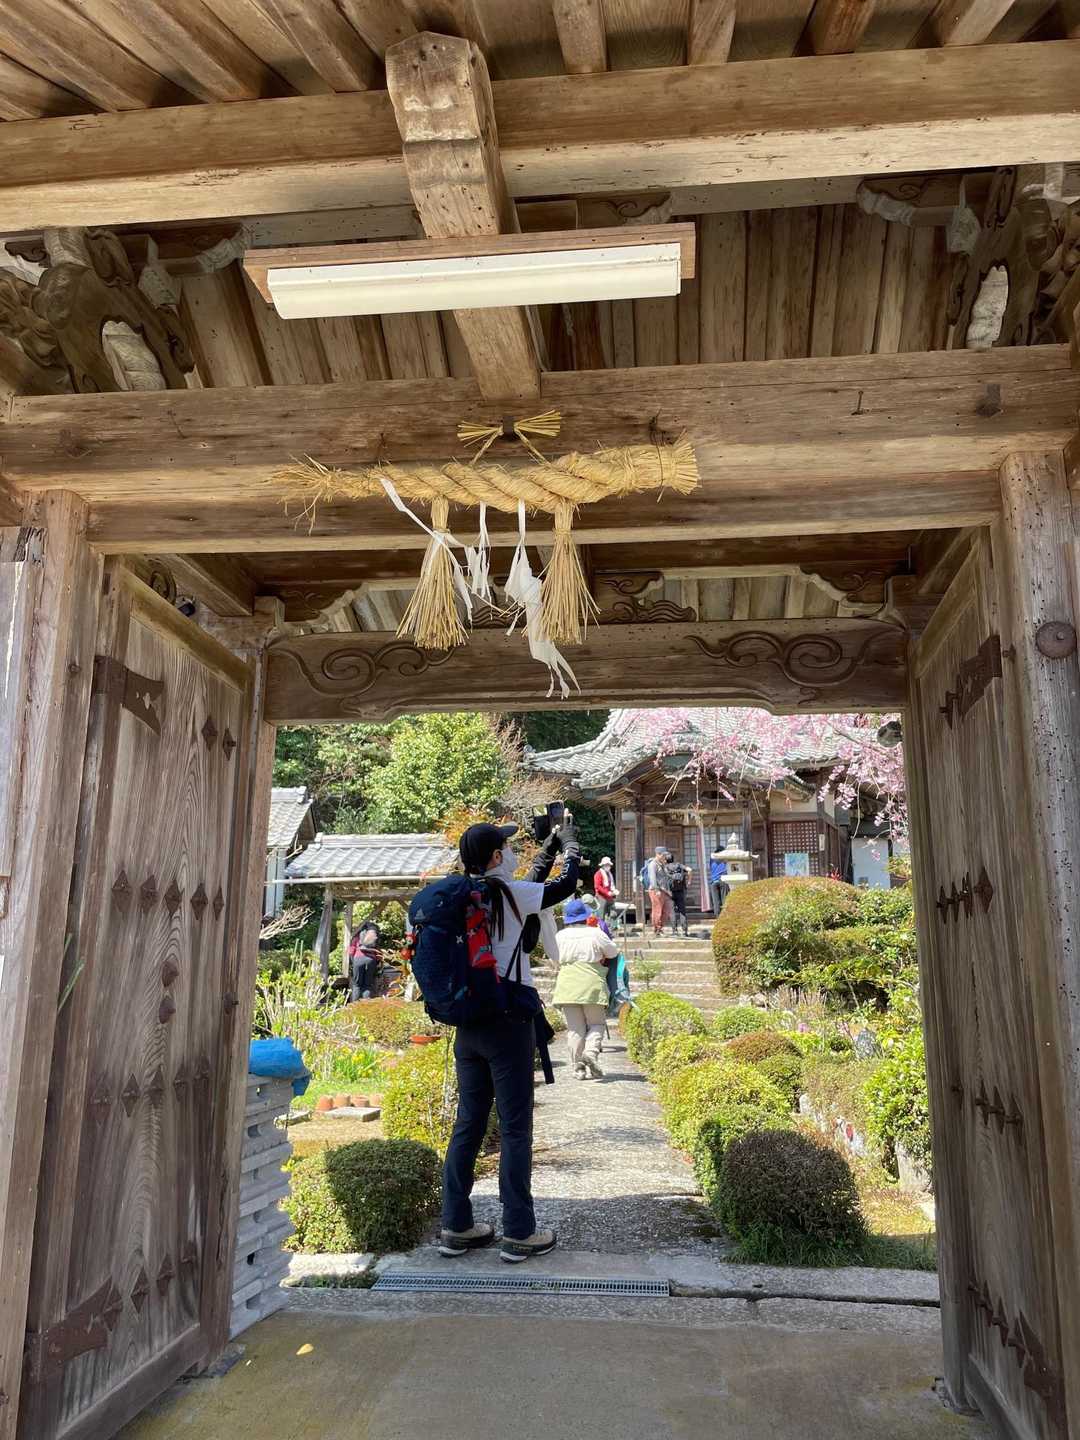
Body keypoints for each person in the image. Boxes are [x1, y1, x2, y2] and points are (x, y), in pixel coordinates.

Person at [440, 819, 580, 1265]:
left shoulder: (460, 894)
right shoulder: (510, 894)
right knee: (516, 1128)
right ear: (498, 857)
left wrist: (548, 849)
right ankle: (519, 1231)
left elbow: (531, 883)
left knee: (468, 1124)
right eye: (507, 847)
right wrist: (571, 848)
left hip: (468, 1024)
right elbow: (563, 887)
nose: (514, 853)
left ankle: (455, 1226)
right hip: (508, 1023)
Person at [552, 897, 618, 1079]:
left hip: (567, 984)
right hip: (591, 983)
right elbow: (613, 952)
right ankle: (590, 1053)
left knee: (575, 1029)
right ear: (585, 916)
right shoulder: (595, 933)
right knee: (597, 1023)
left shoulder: (559, 936)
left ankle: (578, 1069)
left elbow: (554, 959)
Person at [348, 922, 381, 1000]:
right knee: (367, 985)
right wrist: (377, 963)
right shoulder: (374, 938)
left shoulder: (357, 938)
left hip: (358, 959)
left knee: (357, 985)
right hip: (371, 960)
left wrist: (353, 962)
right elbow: (379, 954)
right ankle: (366, 1004)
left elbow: (351, 951)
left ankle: (355, 1004)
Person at [646, 846, 672, 937]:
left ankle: (660, 928)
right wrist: (656, 889)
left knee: (667, 909)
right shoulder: (652, 864)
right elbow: (652, 878)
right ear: (658, 854)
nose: (664, 857)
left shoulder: (662, 864)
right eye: (663, 855)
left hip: (665, 890)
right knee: (657, 910)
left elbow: (666, 877)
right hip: (656, 890)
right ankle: (657, 929)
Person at [668, 857, 692, 938]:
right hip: (680, 891)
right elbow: (690, 870)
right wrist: (689, 881)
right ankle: (684, 931)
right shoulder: (679, 865)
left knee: (672, 911)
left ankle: (674, 931)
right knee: (682, 911)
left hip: (670, 892)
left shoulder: (665, 867)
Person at [593, 856, 617, 922]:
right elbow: (598, 886)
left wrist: (614, 891)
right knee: (601, 915)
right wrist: (607, 892)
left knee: (613, 913)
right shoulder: (598, 874)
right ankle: (601, 927)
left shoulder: (609, 874)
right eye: (606, 865)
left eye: (609, 865)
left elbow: (611, 885)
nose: (608, 866)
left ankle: (612, 926)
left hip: (609, 896)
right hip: (601, 896)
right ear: (603, 865)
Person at [709, 849, 729, 915]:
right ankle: (725, 915)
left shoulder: (712, 860)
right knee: (724, 899)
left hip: (714, 881)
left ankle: (717, 916)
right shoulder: (724, 860)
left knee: (715, 901)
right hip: (723, 880)